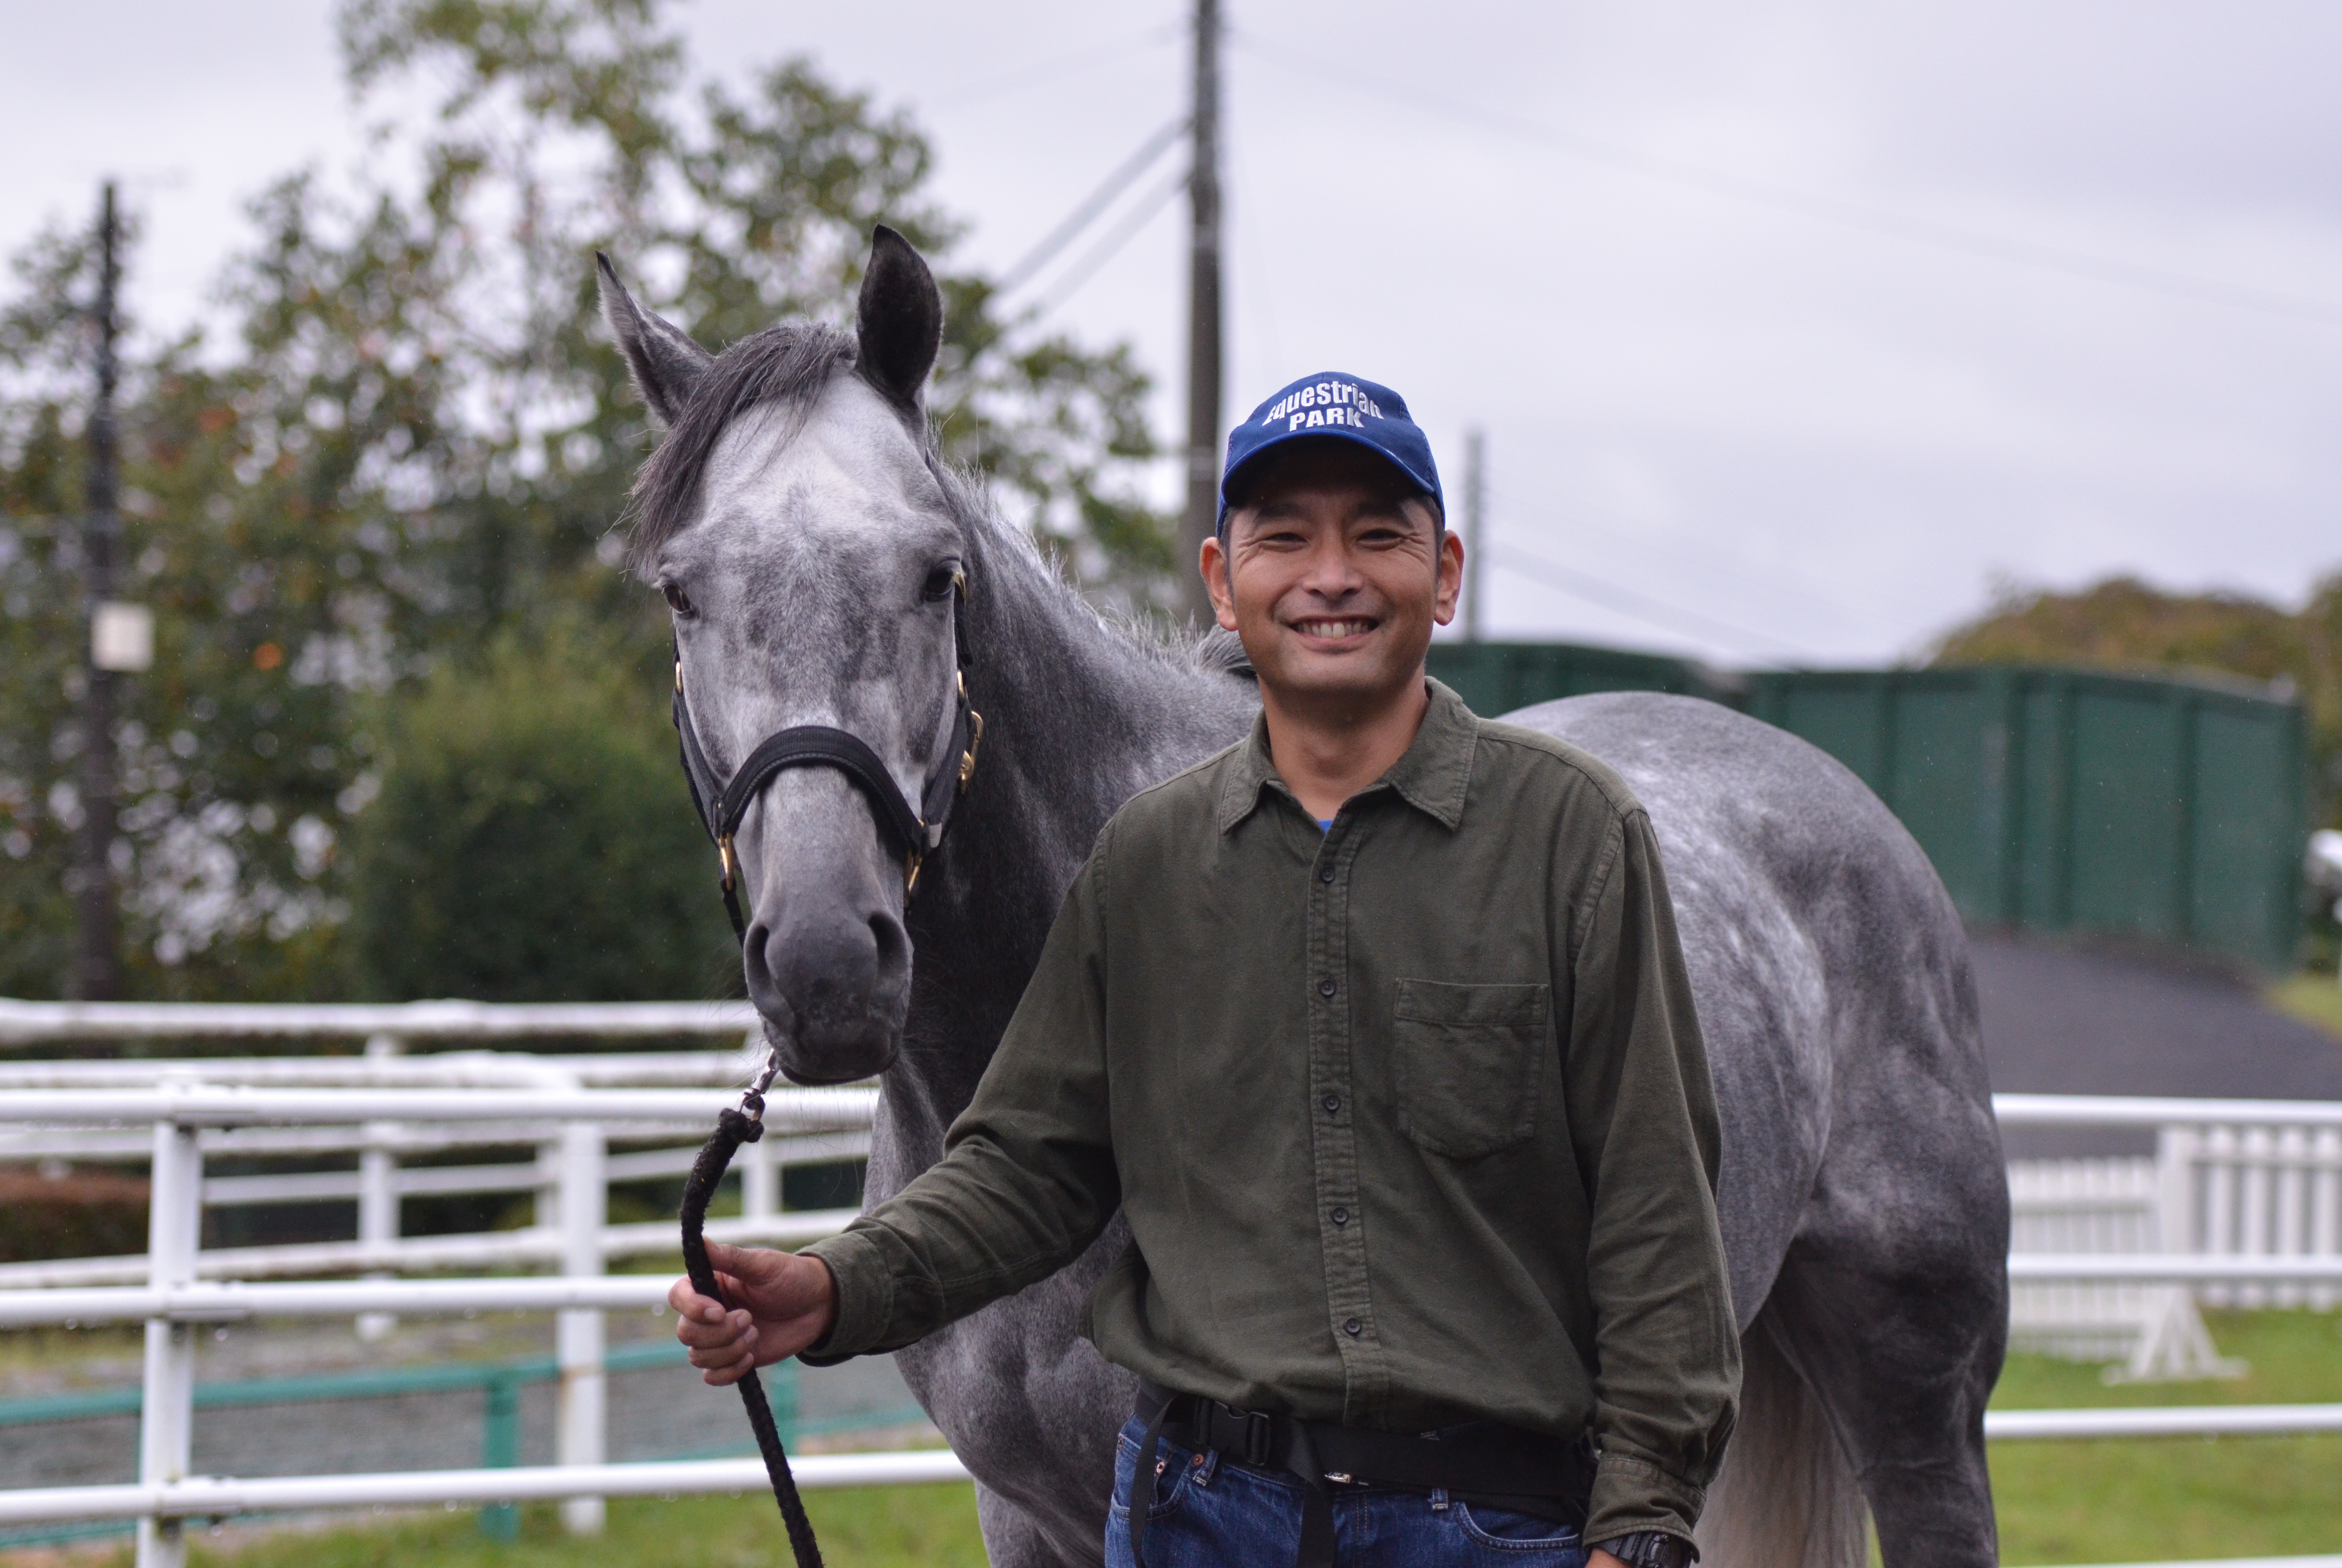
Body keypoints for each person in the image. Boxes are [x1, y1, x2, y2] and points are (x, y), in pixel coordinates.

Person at [669, 371, 1740, 1568]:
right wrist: (833, 1288)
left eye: (1377, 535)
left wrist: (1643, 1517)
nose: (1329, 574)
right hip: (1197, 1518)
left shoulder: (1571, 837)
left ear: (1444, 575)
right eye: (1283, 538)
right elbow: (1037, 1165)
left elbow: (1656, 1210)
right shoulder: (1149, 858)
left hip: (1485, 1524)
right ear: (1224, 586)